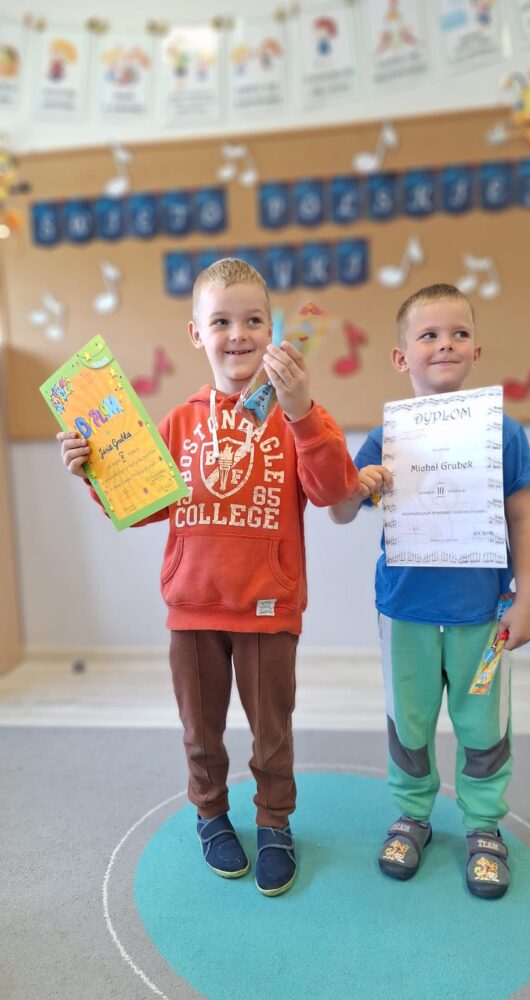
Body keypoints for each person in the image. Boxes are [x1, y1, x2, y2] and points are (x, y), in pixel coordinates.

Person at [58, 258, 360, 897]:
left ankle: (274, 822)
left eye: (254, 320)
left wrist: (303, 412)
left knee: (272, 734)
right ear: (197, 334)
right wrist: (93, 472)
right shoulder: (179, 422)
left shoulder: (299, 414)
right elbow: (139, 506)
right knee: (200, 731)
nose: (238, 334)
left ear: (273, 329)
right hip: (192, 609)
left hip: (268, 609)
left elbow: (336, 491)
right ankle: (211, 814)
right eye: (221, 321)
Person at [329, 283, 530, 899]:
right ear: (402, 357)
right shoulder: (386, 438)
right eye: (429, 335)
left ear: (477, 350)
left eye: (458, 334)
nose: (445, 344)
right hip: (405, 613)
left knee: (484, 724)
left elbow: (522, 519)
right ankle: (412, 816)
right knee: (410, 721)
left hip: (483, 615)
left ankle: (483, 825)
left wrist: (527, 598)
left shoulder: (503, 432)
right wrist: (358, 485)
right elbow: (339, 511)